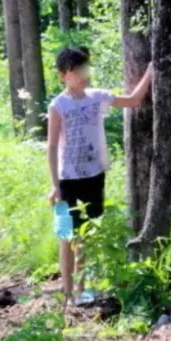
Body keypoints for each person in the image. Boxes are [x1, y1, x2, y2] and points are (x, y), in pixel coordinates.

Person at [47, 47, 152, 306]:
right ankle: (68, 293)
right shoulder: (58, 105)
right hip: (67, 179)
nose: (82, 74)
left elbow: (133, 100)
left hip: (94, 175)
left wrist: (150, 72)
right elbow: (51, 147)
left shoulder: (97, 97)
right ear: (63, 75)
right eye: (75, 71)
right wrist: (54, 185)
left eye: (84, 68)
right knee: (66, 235)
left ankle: (83, 290)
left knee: (86, 235)